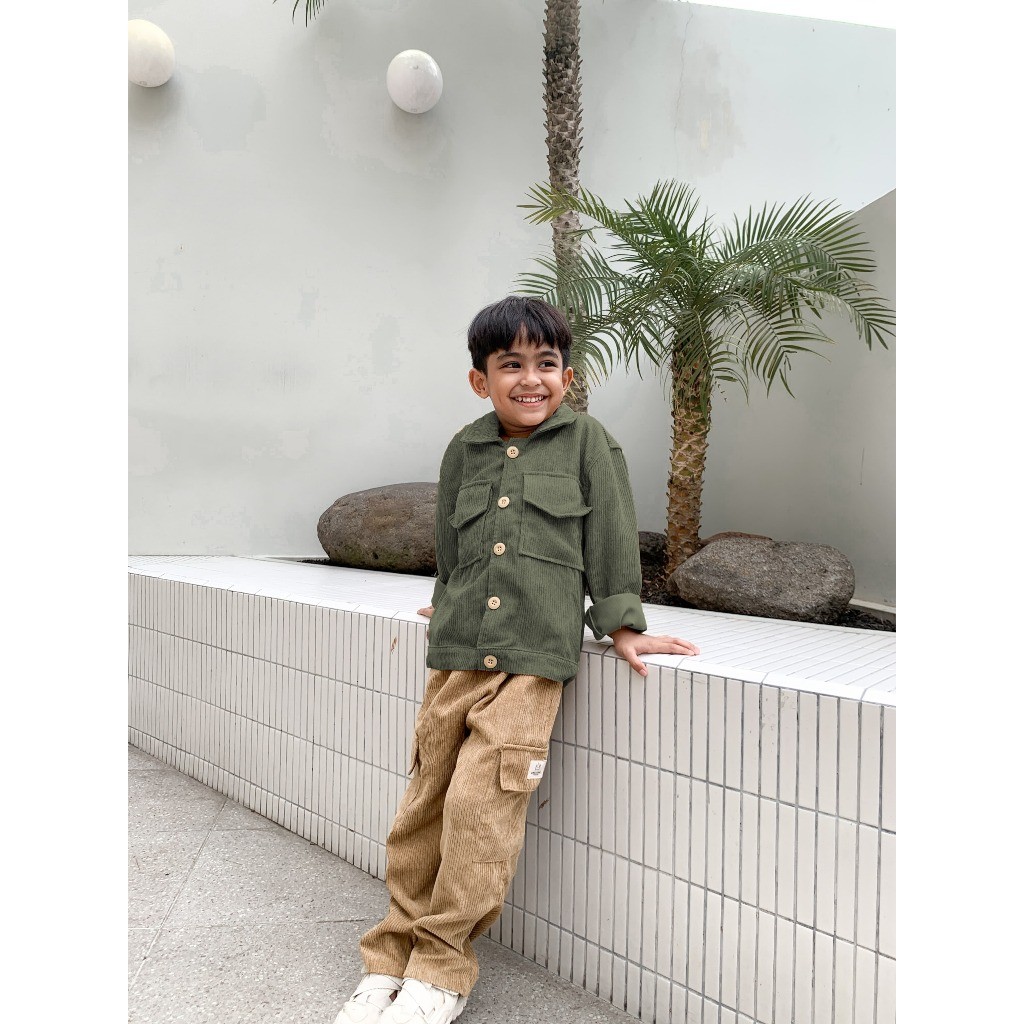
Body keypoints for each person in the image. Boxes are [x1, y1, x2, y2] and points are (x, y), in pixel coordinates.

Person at [334, 296, 700, 1024]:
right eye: (511, 365)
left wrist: (622, 625)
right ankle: (390, 957)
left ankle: (441, 972)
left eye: (546, 363)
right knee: (424, 806)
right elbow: (452, 544)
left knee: (480, 809)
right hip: (458, 654)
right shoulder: (463, 450)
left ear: (567, 374)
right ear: (481, 380)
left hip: (532, 661)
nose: (531, 379)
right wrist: (450, 599)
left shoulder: (588, 444)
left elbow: (611, 537)